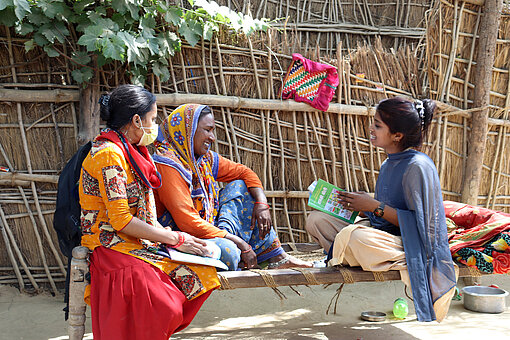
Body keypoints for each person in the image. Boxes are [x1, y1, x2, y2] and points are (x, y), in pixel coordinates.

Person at [79, 85, 220, 340]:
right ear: (136, 120)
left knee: (203, 275)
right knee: (162, 302)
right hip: (109, 246)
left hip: (135, 241)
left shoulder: (133, 151)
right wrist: (176, 238)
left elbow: (145, 212)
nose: (154, 126)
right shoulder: (108, 154)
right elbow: (121, 220)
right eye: (152, 119)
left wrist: (172, 237)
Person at [305, 97, 457, 322]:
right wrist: (359, 207)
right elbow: (384, 217)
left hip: (411, 246)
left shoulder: (418, 166)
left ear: (397, 135)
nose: (371, 129)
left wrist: (375, 207)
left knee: (356, 237)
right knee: (317, 220)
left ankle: (358, 254)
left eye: (377, 125)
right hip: (384, 236)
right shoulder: (388, 164)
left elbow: (424, 227)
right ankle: (351, 253)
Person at [152, 104, 312, 271]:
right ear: (188, 131)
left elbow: (245, 172)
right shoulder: (167, 165)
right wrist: (240, 243)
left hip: (211, 230)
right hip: (184, 239)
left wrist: (262, 203)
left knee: (240, 187)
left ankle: (278, 258)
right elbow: (188, 222)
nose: (212, 137)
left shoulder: (203, 159)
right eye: (207, 130)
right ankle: (240, 255)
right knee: (229, 252)